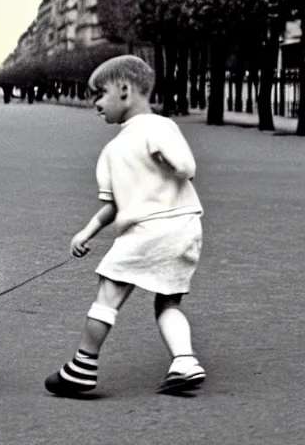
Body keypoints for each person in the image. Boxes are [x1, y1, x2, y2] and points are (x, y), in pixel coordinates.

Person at [44, 55, 205, 397]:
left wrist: (87, 232)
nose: (95, 103)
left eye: (99, 94)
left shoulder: (129, 141)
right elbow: (118, 203)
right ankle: (185, 361)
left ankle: (82, 368)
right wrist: (87, 232)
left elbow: (184, 166)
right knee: (168, 302)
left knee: (107, 296)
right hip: (185, 226)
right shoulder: (160, 128)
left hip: (146, 230)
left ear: (125, 90)